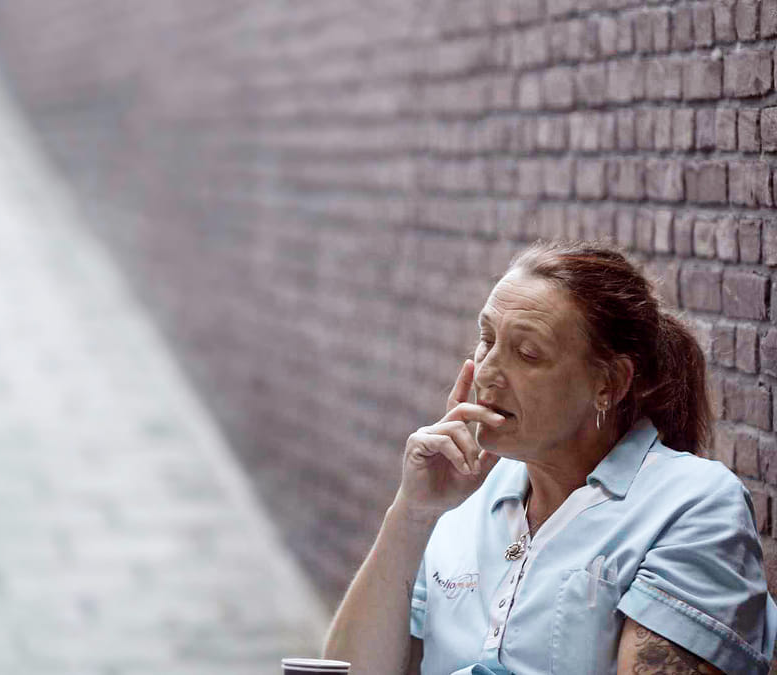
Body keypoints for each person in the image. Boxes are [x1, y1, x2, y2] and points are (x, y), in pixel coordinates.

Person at [322, 240, 777, 675]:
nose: (487, 372)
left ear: (609, 384)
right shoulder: (465, 495)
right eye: (486, 339)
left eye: (527, 353)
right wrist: (413, 513)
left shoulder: (693, 505)